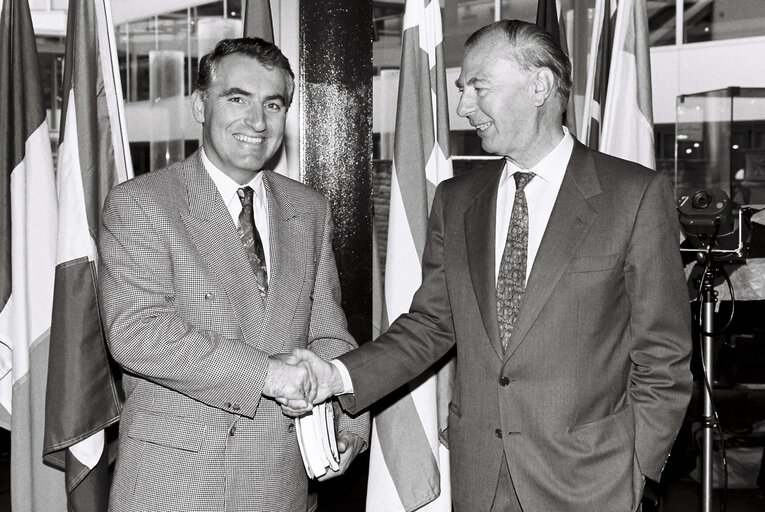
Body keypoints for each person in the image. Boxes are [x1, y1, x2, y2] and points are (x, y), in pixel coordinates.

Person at [285, 20, 693, 512]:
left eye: (478, 86)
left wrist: (637, 467)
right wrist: (336, 376)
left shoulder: (635, 195)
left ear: (539, 85)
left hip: (592, 480)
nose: (463, 107)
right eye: (461, 90)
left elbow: (663, 355)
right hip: (479, 476)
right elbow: (430, 325)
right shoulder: (457, 200)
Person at [98, 37, 369, 512]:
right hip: (177, 488)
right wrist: (270, 376)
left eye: (273, 104)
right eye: (237, 99)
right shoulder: (141, 203)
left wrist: (346, 422)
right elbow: (137, 333)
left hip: (284, 484)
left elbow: (328, 333)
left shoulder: (309, 209)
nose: (257, 122)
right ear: (200, 105)